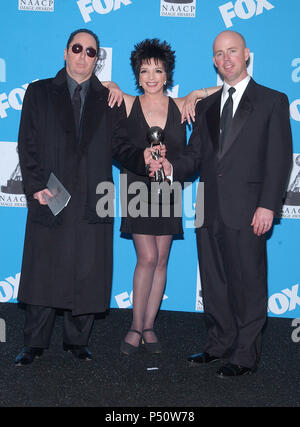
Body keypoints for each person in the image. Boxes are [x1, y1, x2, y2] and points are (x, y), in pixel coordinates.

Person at [155, 30, 292, 376]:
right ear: (213, 60)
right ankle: (218, 344)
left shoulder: (272, 100)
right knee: (214, 282)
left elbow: (279, 159)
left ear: (247, 54)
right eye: (218, 53)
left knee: (248, 283)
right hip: (209, 208)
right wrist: (172, 167)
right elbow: (195, 155)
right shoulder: (207, 106)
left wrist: (267, 205)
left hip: (249, 210)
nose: (225, 58)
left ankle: (245, 355)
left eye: (232, 51)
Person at [15, 29, 153, 366]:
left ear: (97, 59)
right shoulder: (38, 92)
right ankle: (34, 343)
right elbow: (27, 143)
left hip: (95, 195)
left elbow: (121, 147)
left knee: (89, 269)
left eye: (91, 52)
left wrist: (143, 159)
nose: (83, 55)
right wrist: (35, 185)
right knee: (43, 269)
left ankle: (77, 341)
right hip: (51, 192)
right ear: (65, 52)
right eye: (77, 48)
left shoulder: (109, 99)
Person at [117, 39, 218, 355]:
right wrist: (107, 82)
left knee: (162, 259)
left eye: (157, 70)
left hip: (169, 189)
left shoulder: (181, 106)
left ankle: (149, 325)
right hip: (137, 188)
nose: (151, 77)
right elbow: (118, 146)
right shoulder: (128, 104)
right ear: (137, 74)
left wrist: (197, 94)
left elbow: (233, 89)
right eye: (144, 70)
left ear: (167, 74)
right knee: (146, 257)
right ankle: (135, 325)